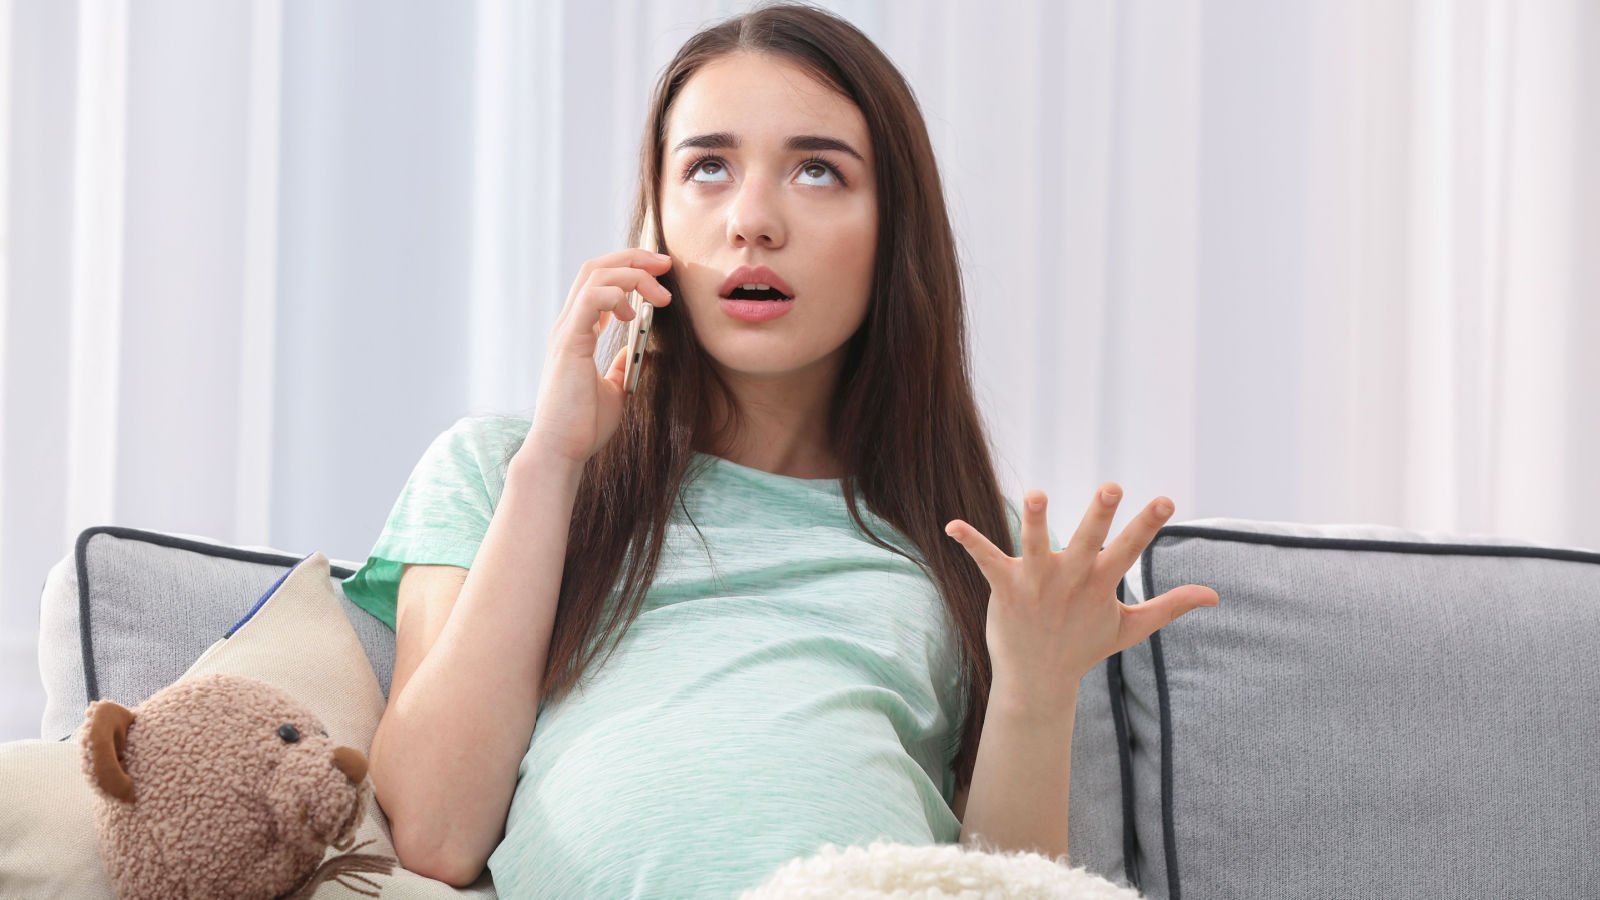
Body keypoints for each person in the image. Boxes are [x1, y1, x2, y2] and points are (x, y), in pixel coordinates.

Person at [339, 3, 1219, 896]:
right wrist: (554, 463)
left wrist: (1034, 686)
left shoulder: (957, 531)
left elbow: (1000, 888)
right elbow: (435, 836)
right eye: (708, 167)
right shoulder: (504, 471)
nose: (753, 220)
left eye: (817, 172)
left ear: (893, 234)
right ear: (657, 221)